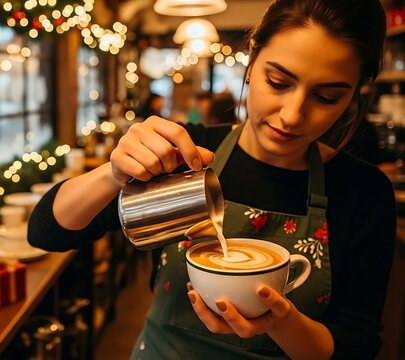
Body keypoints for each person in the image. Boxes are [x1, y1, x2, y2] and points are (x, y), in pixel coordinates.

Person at [28, 0, 396, 358]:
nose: (292, 116)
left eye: (327, 96)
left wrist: (278, 322)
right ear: (252, 59)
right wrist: (113, 173)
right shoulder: (186, 152)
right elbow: (47, 231)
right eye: (278, 81)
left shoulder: (363, 191)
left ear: (354, 94)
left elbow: (355, 343)